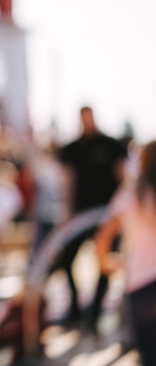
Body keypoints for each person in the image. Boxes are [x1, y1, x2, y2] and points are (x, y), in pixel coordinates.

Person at [56, 106, 127, 330]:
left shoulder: (111, 145)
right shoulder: (73, 149)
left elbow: (123, 177)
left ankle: (95, 314)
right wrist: (66, 212)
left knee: (105, 263)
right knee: (66, 260)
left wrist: (122, 212)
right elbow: (68, 181)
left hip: (107, 218)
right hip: (80, 217)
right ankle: (76, 310)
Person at [95, 140, 156, 365]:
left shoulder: (131, 193)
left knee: (148, 354)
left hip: (140, 284)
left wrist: (106, 262)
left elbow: (102, 238)